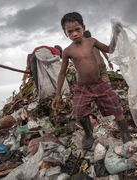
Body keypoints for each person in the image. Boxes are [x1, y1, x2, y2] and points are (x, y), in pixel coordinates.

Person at [52, 12, 130, 150]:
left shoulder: (91, 41)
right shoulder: (67, 51)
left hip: (99, 83)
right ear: (65, 33)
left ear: (83, 27)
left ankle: (125, 133)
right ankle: (88, 133)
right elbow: (62, 73)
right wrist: (58, 94)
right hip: (83, 87)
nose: (75, 33)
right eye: (70, 31)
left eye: (77, 29)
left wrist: (116, 34)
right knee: (78, 112)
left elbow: (110, 49)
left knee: (116, 108)